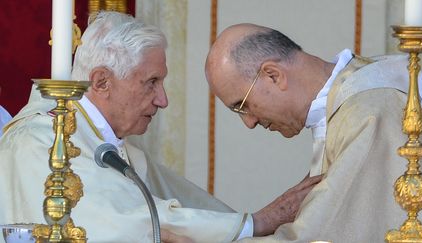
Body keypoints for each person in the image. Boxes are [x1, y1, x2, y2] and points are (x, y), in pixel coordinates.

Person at [0, 13, 322, 243]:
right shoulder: (39, 140)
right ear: (101, 82)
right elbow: (122, 225)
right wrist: (257, 222)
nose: (163, 100)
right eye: (151, 82)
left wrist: (259, 223)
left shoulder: (111, 144)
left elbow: (186, 206)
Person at [205, 23, 422, 242]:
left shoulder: (369, 112)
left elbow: (326, 235)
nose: (249, 122)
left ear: (273, 75)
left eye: (242, 105)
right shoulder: (344, 103)